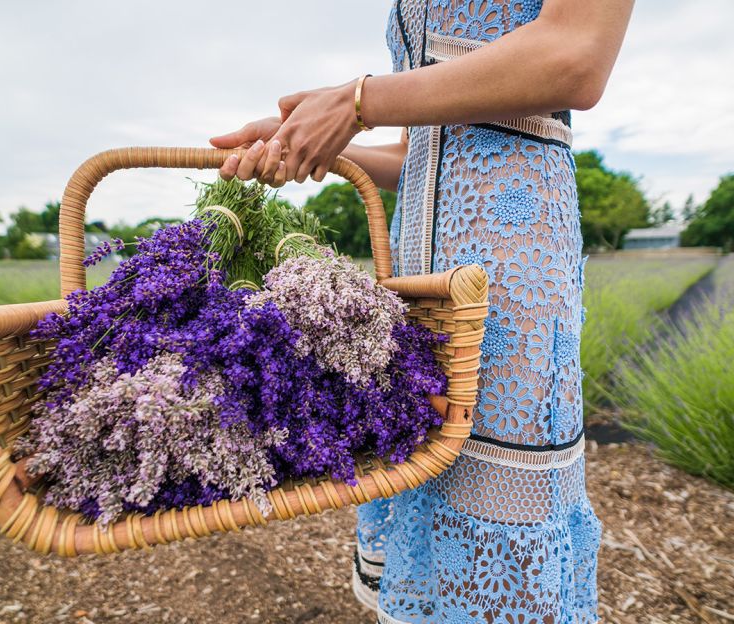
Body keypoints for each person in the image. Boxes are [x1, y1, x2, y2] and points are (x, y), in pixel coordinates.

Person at [210, 1, 633, 621]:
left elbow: (575, 58)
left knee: (494, 490)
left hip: (507, 260)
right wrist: (312, 145)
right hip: (417, 274)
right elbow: (422, 154)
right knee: (425, 457)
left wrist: (354, 103)